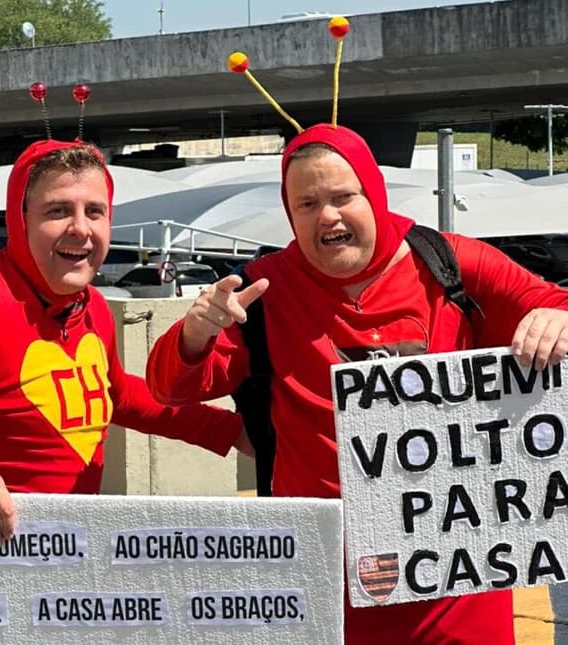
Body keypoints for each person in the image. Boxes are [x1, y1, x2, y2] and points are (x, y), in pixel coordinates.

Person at [145, 123, 568, 644]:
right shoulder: (262, 290)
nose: (327, 216)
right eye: (306, 204)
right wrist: (194, 333)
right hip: (324, 583)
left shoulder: (452, 263)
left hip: (459, 586)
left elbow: (554, 305)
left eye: (343, 197)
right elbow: (170, 388)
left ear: (374, 194)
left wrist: (558, 319)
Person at [0, 138, 247, 549]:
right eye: (58, 211)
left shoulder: (92, 306)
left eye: (95, 212)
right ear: (21, 220)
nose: (80, 228)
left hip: (59, 554)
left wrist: (234, 432)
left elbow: (115, 395)